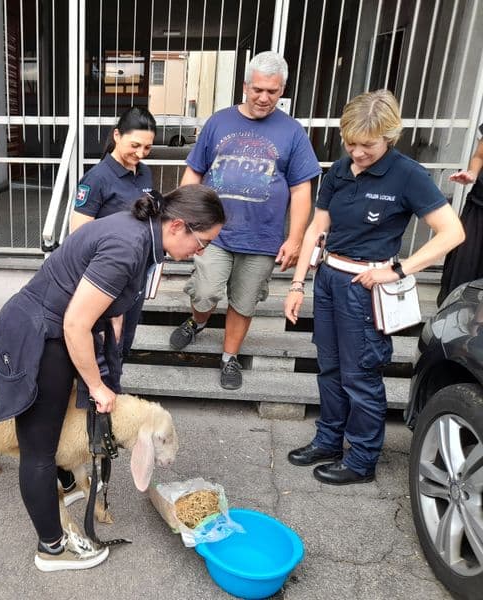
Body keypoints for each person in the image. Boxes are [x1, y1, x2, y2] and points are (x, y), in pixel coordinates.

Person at [0, 185, 225, 571]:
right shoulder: (128, 245)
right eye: (203, 241)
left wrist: (112, 335)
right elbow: (76, 323)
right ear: (177, 226)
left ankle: (68, 489)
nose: (201, 251)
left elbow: (100, 296)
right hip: (43, 334)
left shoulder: (141, 234)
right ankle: (52, 549)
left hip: (55, 329)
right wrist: (97, 386)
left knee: (53, 429)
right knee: (38, 450)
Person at [284, 90, 464, 485]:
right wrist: (297, 283)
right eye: (351, 143)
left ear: (389, 137)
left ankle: (362, 459)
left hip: (364, 285)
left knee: (360, 374)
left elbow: (452, 232)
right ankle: (329, 440)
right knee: (329, 368)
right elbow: (318, 228)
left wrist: (399, 269)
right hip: (329, 279)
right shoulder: (339, 170)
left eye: (368, 145)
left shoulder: (408, 174)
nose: (358, 152)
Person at [168, 51, 321, 391]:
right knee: (205, 291)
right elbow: (194, 171)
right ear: (245, 86)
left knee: (244, 300)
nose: (265, 98)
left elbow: (301, 190)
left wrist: (295, 239)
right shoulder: (219, 122)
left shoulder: (293, 132)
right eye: (258, 90)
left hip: (263, 238)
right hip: (213, 233)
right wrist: (181, 216)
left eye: (273, 91)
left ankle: (229, 357)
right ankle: (197, 322)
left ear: (282, 90)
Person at [59, 106, 157, 502]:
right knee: (95, 364)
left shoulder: (143, 174)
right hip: (101, 289)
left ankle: (101, 438)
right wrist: (105, 304)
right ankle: (77, 446)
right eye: (135, 145)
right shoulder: (96, 179)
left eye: (148, 147)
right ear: (116, 136)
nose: (141, 153)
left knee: (117, 359)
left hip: (131, 285)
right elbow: (78, 239)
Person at [437, 123, 483, 305]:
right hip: (479, 208)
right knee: (462, 271)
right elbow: (479, 155)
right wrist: (472, 173)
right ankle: (454, 325)